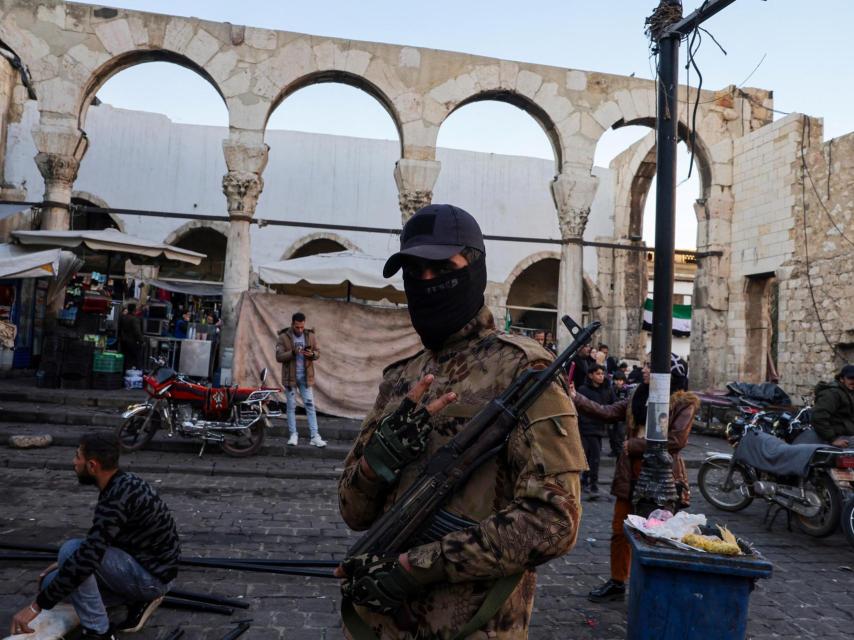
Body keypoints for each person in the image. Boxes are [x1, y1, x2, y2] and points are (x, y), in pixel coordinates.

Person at [336, 203, 586, 639]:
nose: (426, 281)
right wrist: (377, 462)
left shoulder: (522, 372)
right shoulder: (401, 379)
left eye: (440, 267)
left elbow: (554, 521)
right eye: (414, 271)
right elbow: (353, 513)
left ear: (475, 268)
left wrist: (420, 567)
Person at [9, 433, 180, 639]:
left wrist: (35, 608)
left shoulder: (116, 498)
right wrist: (61, 566)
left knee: (71, 551)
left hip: (152, 578)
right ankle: (131, 600)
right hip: (142, 565)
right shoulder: (124, 482)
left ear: (92, 465)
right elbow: (105, 538)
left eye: (77, 456)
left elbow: (88, 557)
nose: (74, 462)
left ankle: (98, 631)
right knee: (50, 583)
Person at [570, 361, 698, 603]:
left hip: (663, 475)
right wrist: (576, 398)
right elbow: (607, 412)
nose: (646, 369)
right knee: (620, 530)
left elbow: (676, 440)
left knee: (657, 533)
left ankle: (654, 586)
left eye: (652, 365)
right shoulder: (637, 396)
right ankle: (618, 580)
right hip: (630, 473)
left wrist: (635, 445)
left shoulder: (684, 402)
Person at [276, 312, 326, 447]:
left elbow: (318, 352)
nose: (300, 330)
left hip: (306, 377)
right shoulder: (283, 337)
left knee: (310, 405)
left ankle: (315, 436)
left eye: (302, 327)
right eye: (297, 327)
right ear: (292, 324)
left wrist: (312, 354)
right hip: (290, 378)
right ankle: (293, 434)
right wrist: (293, 353)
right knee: (291, 406)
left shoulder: (310, 336)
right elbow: (279, 357)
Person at [577, 364, 616, 497]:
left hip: (599, 427)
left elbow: (613, 405)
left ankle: (590, 481)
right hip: (586, 427)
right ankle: (589, 482)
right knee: (590, 456)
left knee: (594, 457)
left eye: (602, 373)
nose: (601, 376)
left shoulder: (607, 389)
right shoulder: (583, 389)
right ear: (590, 375)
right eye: (598, 374)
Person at [812, 364, 854, 447]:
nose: (853, 381)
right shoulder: (832, 393)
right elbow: (818, 416)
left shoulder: (848, 392)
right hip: (838, 436)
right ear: (841, 379)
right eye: (850, 378)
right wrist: (832, 439)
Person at [607, 371, 630, 457]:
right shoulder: (611, 389)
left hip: (622, 416)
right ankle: (614, 450)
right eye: (616, 380)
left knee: (620, 434)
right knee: (611, 434)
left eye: (620, 380)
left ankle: (620, 451)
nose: (618, 382)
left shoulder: (626, 389)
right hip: (612, 414)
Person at [118, 304, 143, 370]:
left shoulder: (123, 318)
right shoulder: (134, 319)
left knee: (125, 359)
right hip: (132, 342)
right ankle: (132, 375)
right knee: (135, 360)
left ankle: (123, 373)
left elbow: (119, 329)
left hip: (123, 341)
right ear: (135, 310)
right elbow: (137, 332)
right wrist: (141, 341)